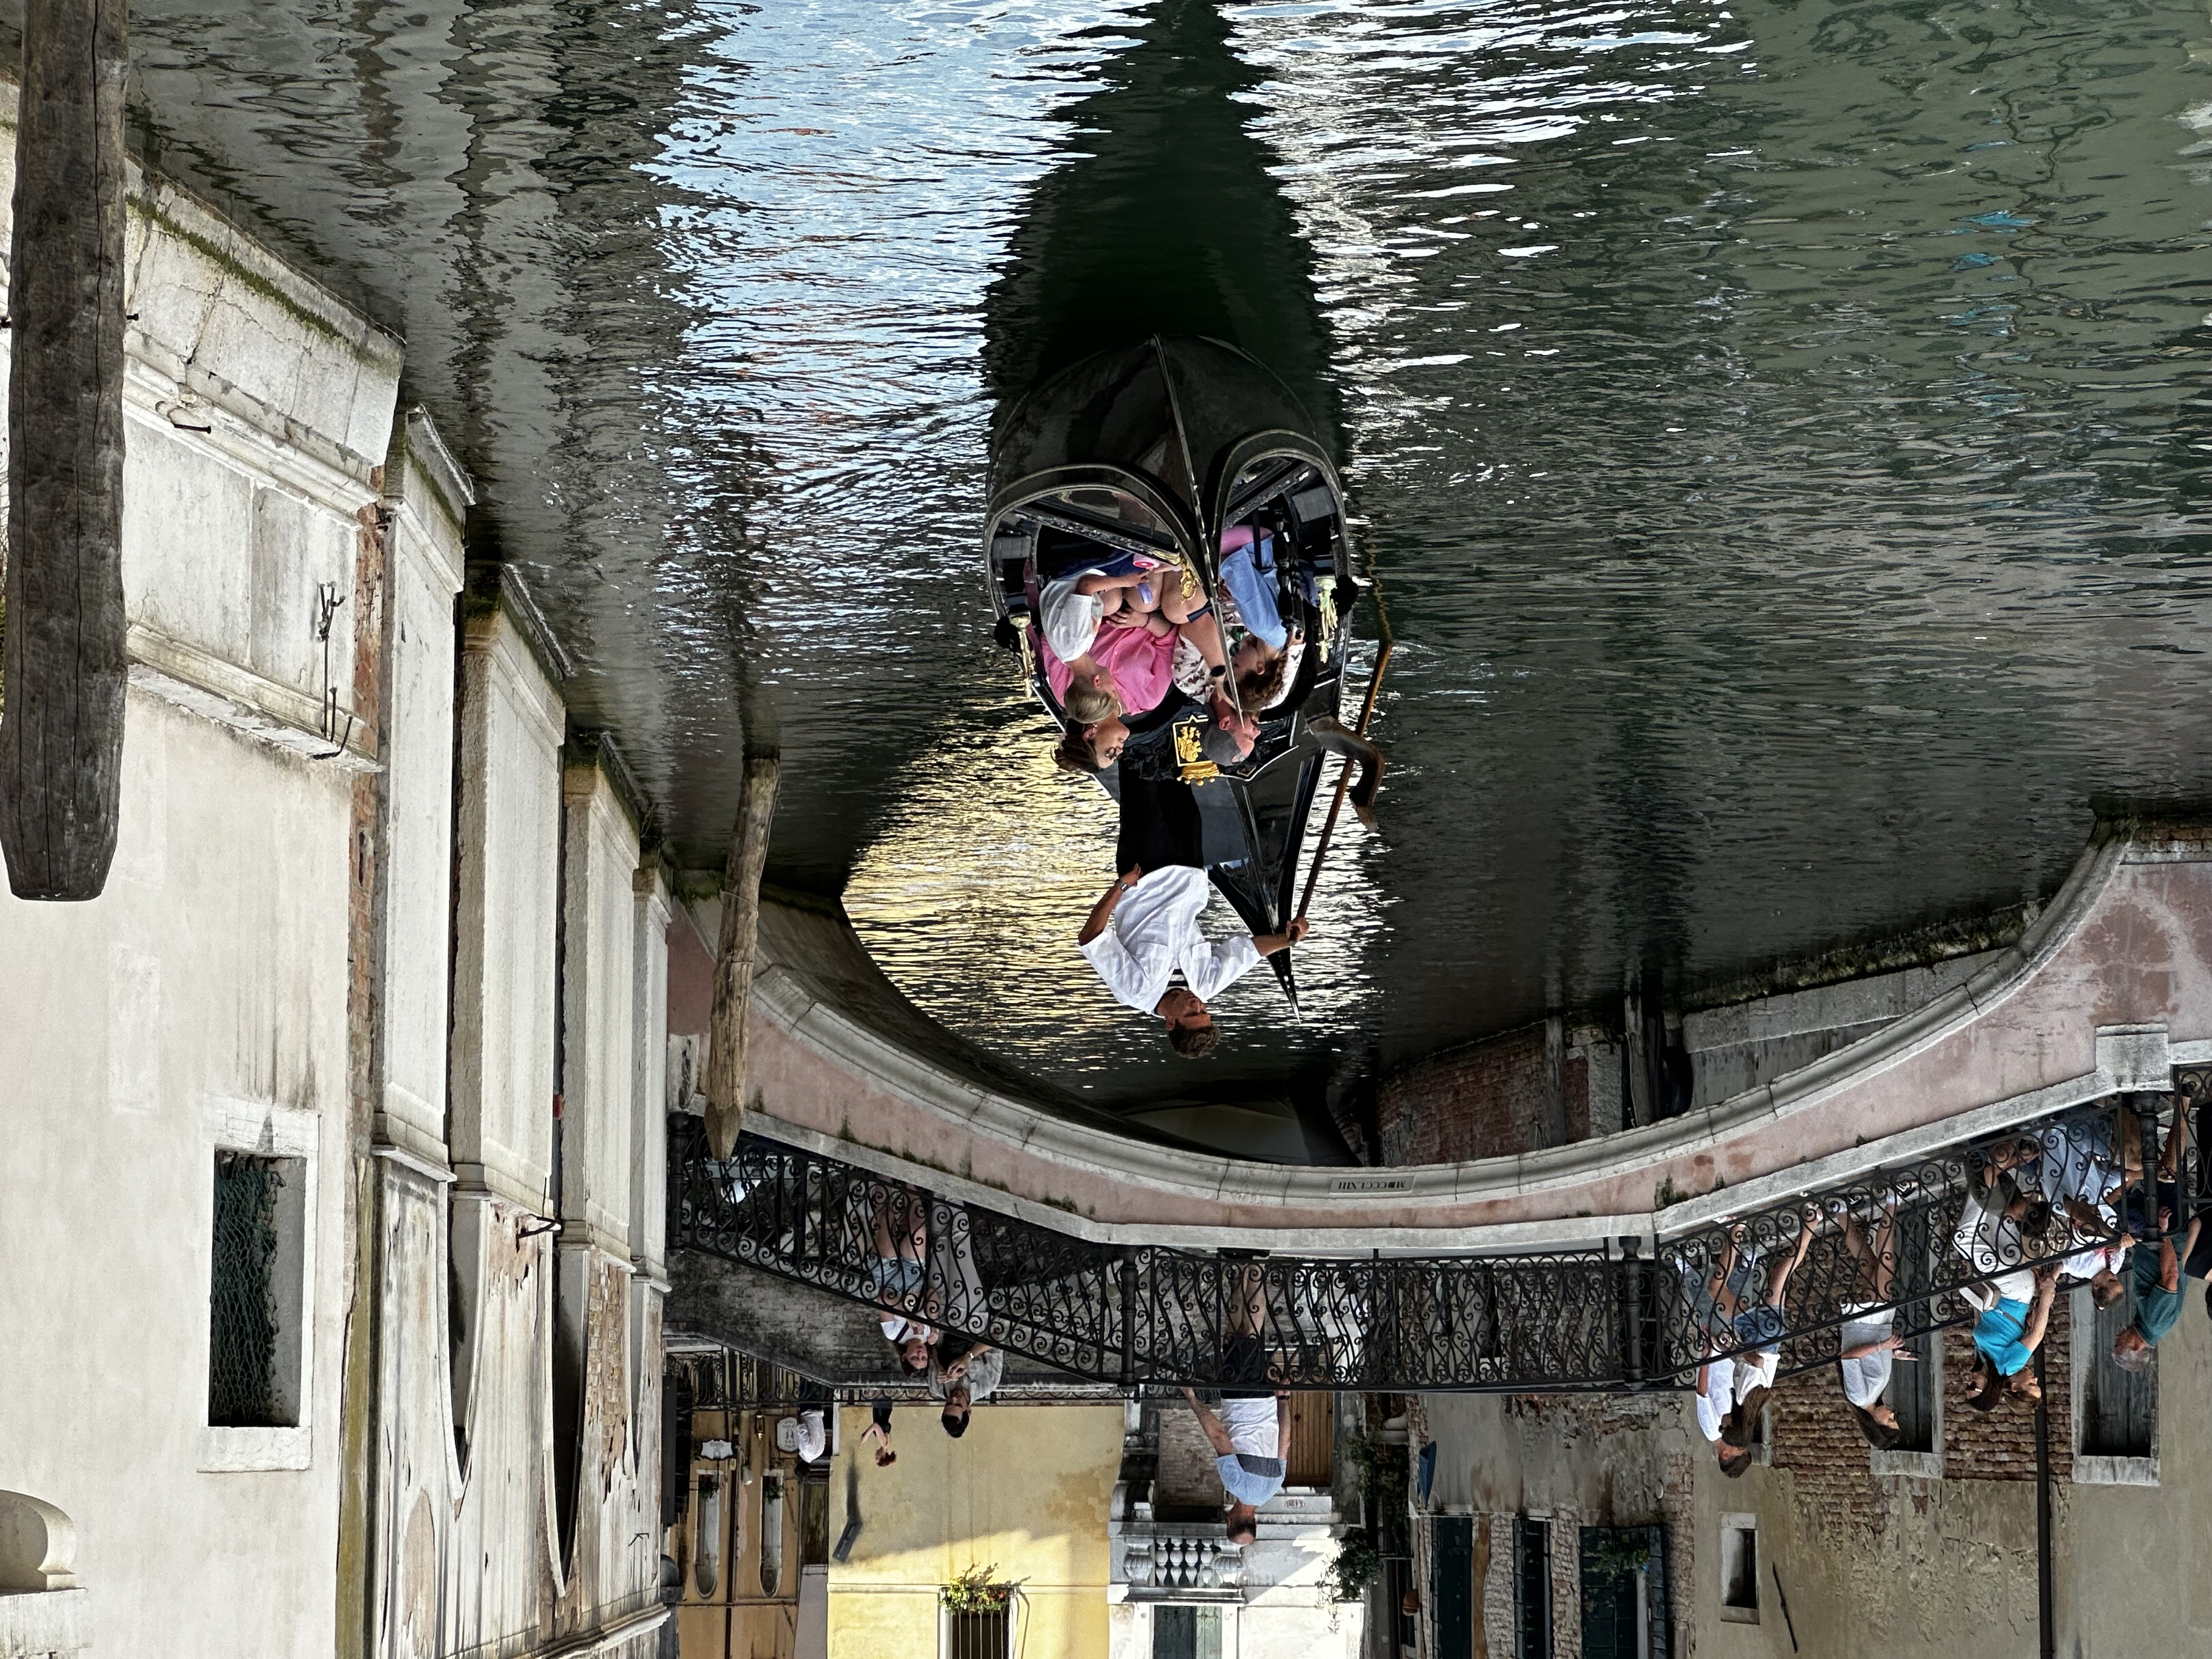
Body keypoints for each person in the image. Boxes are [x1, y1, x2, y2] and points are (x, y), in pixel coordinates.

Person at [1076, 761, 1307, 1055]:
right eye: (1204, 1010)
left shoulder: (1134, 991)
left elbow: (1091, 938)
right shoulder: (1204, 987)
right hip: (1190, 869)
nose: (1196, 1003)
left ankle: (1128, 720)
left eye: (1190, 1013)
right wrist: (1289, 940)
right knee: (1176, 773)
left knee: (1140, 774)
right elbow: (1248, 952)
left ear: (1171, 1023)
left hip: (1146, 872)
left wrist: (1122, 885)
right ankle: (1168, 719)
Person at [1180, 1262, 1288, 1544]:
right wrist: (1192, 1398)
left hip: (1264, 1401)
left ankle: (1242, 1271)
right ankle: (1257, 1269)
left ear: (1253, 1521)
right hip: (1240, 1400)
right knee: (1250, 1333)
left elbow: (1285, 1442)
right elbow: (1219, 1437)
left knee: (1235, 1337)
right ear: (1231, 1519)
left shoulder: (1273, 1488)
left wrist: (1284, 1400)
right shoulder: (1235, 1484)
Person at [1833, 1198, 1913, 1449]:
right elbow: (1870, 1361)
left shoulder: (1859, 1397)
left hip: (1866, 1323)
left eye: (1889, 1420)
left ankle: (1892, 1201)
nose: (1892, 1414)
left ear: (1876, 1424)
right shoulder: (1873, 1395)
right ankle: (1840, 1212)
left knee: (1886, 1264)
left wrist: (1883, 1346)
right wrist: (1893, 1353)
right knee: (1869, 1262)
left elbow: (1848, 1358)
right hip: (1876, 1324)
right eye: (1894, 1418)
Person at [871, 1188, 936, 1375]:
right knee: (919, 1226)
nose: (919, 1354)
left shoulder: (893, 1334)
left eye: (915, 1358)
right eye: (923, 1358)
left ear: (904, 1356)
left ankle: (883, 1174)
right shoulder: (929, 1333)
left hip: (887, 1274)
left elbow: (883, 1299)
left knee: (886, 1217)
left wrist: (908, 1315)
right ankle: (911, 1184)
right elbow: (932, 1294)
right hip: (913, 1274)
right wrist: (936, 1322)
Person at [933, 1336, 1004, 1438]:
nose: (954, 1398)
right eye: (958, 1404)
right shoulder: (989, 1383)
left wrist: (937, 1365)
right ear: (969, 1411)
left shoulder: (937, 1387)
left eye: (948, 1403)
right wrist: (970, 1356)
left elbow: (930, 1346)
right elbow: (997, 1339)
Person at [859, 1397, 896, 1467]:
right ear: (883, 1456)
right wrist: (865, 1438)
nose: (875, 1455)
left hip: (884, 1406)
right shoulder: (884, 1443)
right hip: (881, 1406)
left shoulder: (887, 1444)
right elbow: (875, 1426)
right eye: (877, 1457)